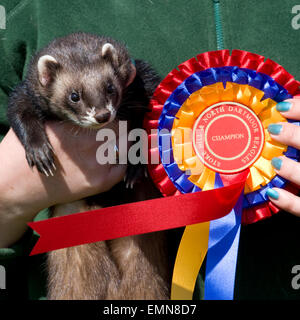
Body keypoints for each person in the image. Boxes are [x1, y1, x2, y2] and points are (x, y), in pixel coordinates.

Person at [0, 0, 300, 300]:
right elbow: (20, 109)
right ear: (46, 79)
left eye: (108, 91)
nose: (102, 113)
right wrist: (10, 196)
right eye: (76, 97)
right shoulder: (24, 11)